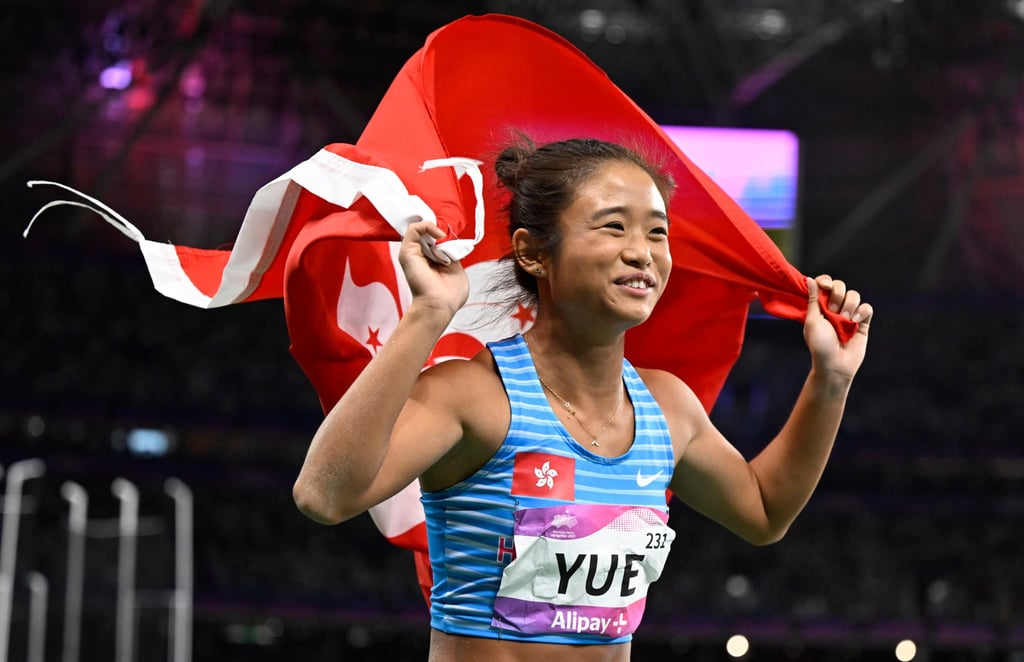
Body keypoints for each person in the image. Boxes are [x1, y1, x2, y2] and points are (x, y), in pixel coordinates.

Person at [292, 136, 872, 661]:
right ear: (532, 252)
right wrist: (428, 314)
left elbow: (765, 512)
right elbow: (323, 496)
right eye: (613, 227)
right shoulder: (473, 395)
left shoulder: (666, 407)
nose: (643, 251)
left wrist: (831, 379)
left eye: (658, 231)